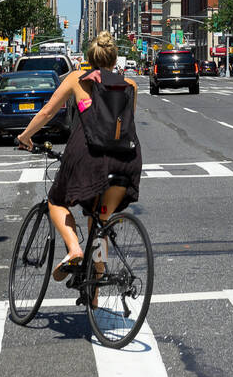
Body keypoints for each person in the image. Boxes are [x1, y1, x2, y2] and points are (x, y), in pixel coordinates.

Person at [16, 30, 142, 281]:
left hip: (88, 159)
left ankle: (74, 249)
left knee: (56, 201)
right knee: (101, 222)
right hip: (126, 162)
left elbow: (46, 113)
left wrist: (25, 136)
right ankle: (94, 290)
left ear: (90, 57)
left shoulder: (77, 79)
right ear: (114, 58)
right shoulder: (131, 86)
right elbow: (124, 125)